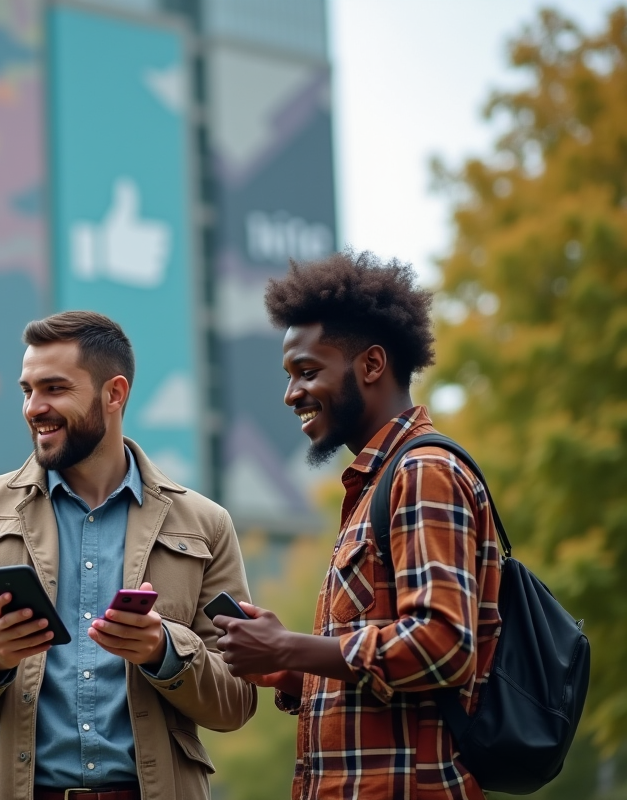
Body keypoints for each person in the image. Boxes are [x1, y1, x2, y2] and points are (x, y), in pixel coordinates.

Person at [0, 311, 256, 800]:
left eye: (53, 389)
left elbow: (237, 701)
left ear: (114, 394)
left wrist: (164, 651)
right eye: (26, 390)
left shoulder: (205, 524)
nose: (33, 407)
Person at [214, 251, 502, 799]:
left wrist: (291, 647)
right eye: (289, 375)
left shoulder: (423, 472)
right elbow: (387, 672)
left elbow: (443, 645)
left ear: (371, 365)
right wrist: (296, 672)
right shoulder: (377, 483)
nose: (291, 393)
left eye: (307, 371)